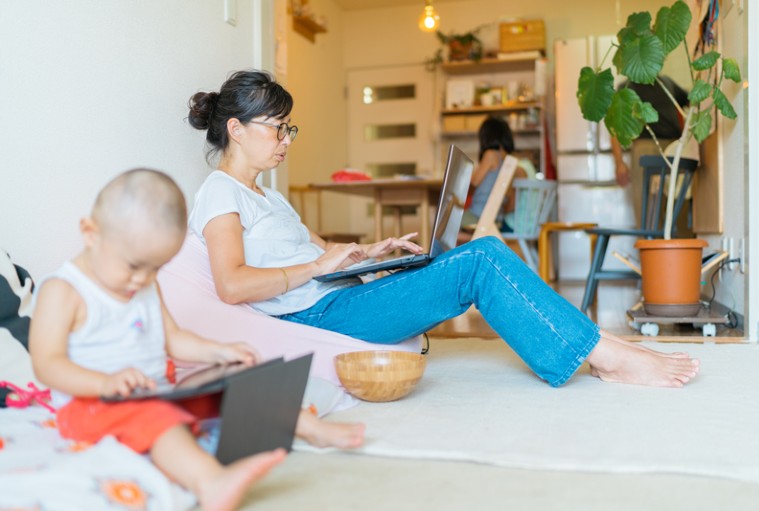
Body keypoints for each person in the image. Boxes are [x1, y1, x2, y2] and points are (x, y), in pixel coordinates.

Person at [186, 69, 700, 389]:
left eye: (288, 128)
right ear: (236, 128)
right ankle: (605, 355)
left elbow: (322, 251)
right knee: (481, 259)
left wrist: (369, 252)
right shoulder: (220, 192)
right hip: (320, 315)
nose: (286, 139)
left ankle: (595, 344)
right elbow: (232, 284)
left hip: (339, 293)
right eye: (278, 127)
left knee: (473, 254)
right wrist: (320, 265)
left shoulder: (268, 194)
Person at [29, 169, 363, 511]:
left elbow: (173, 339)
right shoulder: (64, 291)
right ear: (91, 233)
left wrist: (217, 351)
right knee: (154, 418)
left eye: (155, 268)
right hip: (89, 405)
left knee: (233, 383)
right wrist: (105, 382)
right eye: (133, 266)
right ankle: (211, 482)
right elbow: (47, 365)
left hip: (155, 390)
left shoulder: (144, 285)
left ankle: (307, 427)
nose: (142, 279)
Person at [611, 75, 691, 232]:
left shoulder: (667, 82)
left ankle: (676, 252)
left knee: (677, 210)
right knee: (646, 212)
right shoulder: (627, 87)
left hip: (673, 148)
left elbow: (691, 102)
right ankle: (649, 253)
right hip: (644, 148)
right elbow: (614, 126)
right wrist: (619, 162)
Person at [460, 115, 536, 235]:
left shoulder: (513, 166)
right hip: (530, 224)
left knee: (448, 224)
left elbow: (473, 183)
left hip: (511, 224)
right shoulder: (522, 164)